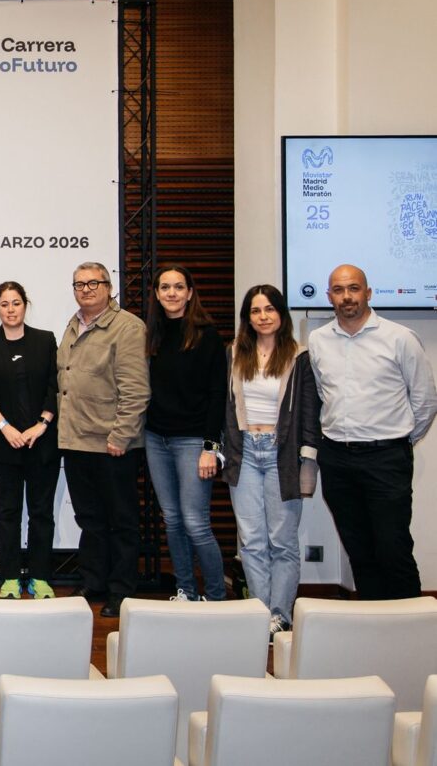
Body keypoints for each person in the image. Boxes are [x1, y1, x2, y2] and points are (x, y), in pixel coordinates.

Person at [308, 264, 436, 600]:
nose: (346, 297)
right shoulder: (318, 340)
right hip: (336, 458)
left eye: (353, 288)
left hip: (386, 458)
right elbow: (324, 392)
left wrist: (400, 440)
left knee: (393, 547)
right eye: (338, 290)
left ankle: (410, 624)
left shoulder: (400, 338)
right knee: (359, 549)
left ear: (368, 292)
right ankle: (372, 621)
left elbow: (425, 400)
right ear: (329, 296)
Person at [222, 285, 319, 633]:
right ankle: (259, 614)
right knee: (251, 541)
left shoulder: (299, 355)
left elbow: (309, 410)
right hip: (244, 451)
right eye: (255, 311)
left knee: (282, 542)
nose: (263, 317)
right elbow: (225, 407)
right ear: (247, 318)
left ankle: (281, 615)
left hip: (283, 453)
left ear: (281, 313)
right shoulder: (234, 353)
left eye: (269, 309)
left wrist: (308, 456)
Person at [55, 262, 148, 618]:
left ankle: (121, 589)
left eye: (94, 283)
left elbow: (136, 390)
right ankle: (94, 580)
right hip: (76, 440)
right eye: (79, 284)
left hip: (112, 443)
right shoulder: (73, 325)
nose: (86, 289)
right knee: (90, 518)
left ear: (109, 287)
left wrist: (121, 435)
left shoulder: (127, 327)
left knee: (121, 520)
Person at [144, 264, 228, 601]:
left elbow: (218, 395)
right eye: (165, 287)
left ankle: (217, 597)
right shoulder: (151, 335)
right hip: (156, 439)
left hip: (193, 441)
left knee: (196, 523)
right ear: (156, 293)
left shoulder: (207, 336)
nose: (172, 293)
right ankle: (186, 592)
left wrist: (211, 447)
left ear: (190, 293)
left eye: (179, 287)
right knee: (173, 520)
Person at [0, 281, 60, 600]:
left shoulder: (45, 340)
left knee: (41, 513)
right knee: (8, 512)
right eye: (4, 304)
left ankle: (40, 577)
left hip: (42, 442)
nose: (11, 309)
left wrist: (42, 424)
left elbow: (55, 386)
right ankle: (9, 577)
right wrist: (5, 427)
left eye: (16, 303)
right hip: (3, 443)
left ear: (26, 305)